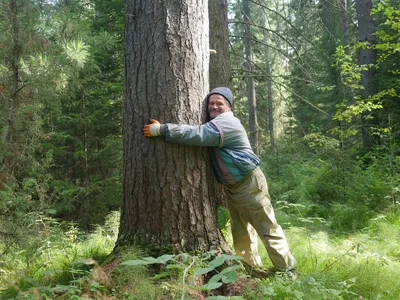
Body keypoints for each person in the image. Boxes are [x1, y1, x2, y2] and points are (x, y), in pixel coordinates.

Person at [143, 87, 297, 278]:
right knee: (241, 231)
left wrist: (162, 129)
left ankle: (287, 271)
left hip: (249, 183)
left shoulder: (227, 122)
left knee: (267, 228)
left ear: (229, 107)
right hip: (234, 187)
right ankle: (252, 270)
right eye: (211, 103)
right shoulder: (216, 121)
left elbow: (198, 134)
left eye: (219, 103)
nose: (214, 106)